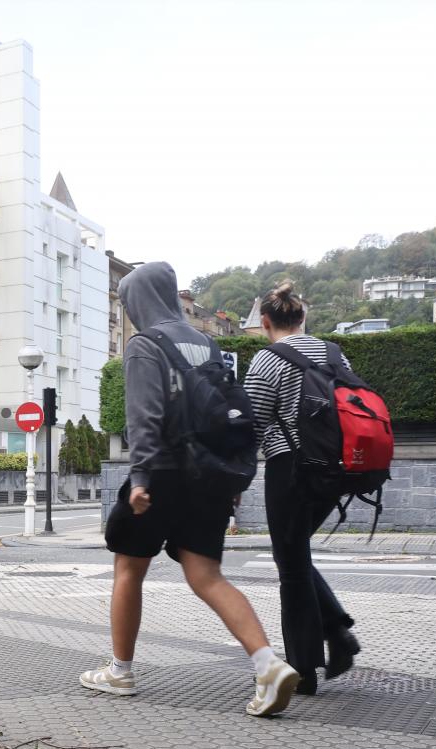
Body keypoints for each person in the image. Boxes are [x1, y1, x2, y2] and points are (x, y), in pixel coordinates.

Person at [80, 262, 301, 717]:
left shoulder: (144, 344)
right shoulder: (208, 342)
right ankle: (268, 665)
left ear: (139, 299)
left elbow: (145, 417)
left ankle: (120, 671)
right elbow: (227, 410)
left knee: (128, 570)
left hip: (161, 474)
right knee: (207, 577)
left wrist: (139, 479)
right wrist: (233, 479)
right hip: (209, 477)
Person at [244, 282, 360, 694]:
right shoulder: (332, 352)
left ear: (265, 322)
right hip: (335, 470)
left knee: (291, 564)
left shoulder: (267, 358)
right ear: (303, 317)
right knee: (294, 554)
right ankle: (336, 630)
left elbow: (253, 425)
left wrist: (235, 479)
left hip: (290, 467)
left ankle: (305, 668)